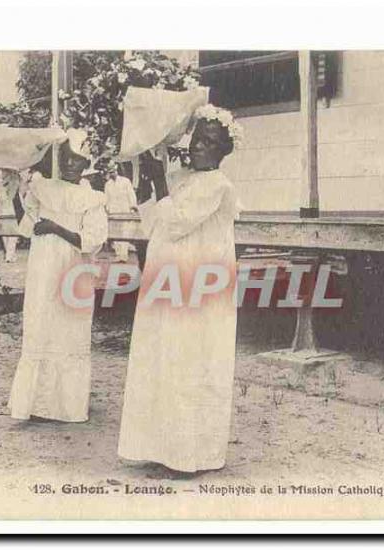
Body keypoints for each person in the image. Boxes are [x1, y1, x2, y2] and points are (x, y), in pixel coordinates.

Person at [117, 105, 243, 476]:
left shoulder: (219, 185)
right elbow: (152, 221)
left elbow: (177, 222)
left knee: (190, 357)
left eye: (211, 143)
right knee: (163, 354)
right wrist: (144, 176)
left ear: (223, 152)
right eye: (199, 139)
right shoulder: (182, 176)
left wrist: (158, 183)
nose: (200, 147)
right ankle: (161, 446)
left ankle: (190, 454)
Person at [8, 129, 108, 423]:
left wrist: (55, 228)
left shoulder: (93, 199)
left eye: (77, 160)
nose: (69, 165)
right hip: (43, 268)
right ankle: (37, 405)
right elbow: (25, 224)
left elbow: (91, 241)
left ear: (86, 162)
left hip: (72, 270)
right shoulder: (43, 187)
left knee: (68, 330)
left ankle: (66, 407)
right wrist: (18, 189)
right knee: (40, 325)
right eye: (65, 158)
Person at [103, 167, 138, 262]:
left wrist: (133, 206)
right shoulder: (108, 184)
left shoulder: (125, 181)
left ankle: (124, 255)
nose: (111, 174)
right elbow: (106, 198)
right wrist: (106, 209)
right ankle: (118, 254)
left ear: (116, 171)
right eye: (109, 172)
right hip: (113, 210)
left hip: (125, 209)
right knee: (115, 232)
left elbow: (131, 194)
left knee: (125, 232)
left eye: (113, 172)